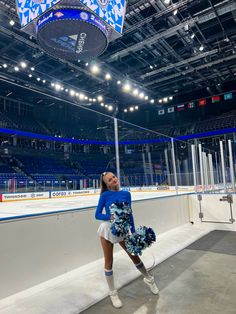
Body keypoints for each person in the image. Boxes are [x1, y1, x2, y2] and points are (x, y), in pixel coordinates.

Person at [95, 172, 159, 309]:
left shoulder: (126, 194)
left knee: (135, 257)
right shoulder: (105, 195)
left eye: (113, 177)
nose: (113, 180)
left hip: (122, 230)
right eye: (109, 180)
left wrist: (134, 232)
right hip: (107, 230)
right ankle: (112, 293)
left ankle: (149, 279)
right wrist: (110, 218)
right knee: (109, 261)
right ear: (106, 184)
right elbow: (97, 214)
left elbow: (129, 214)